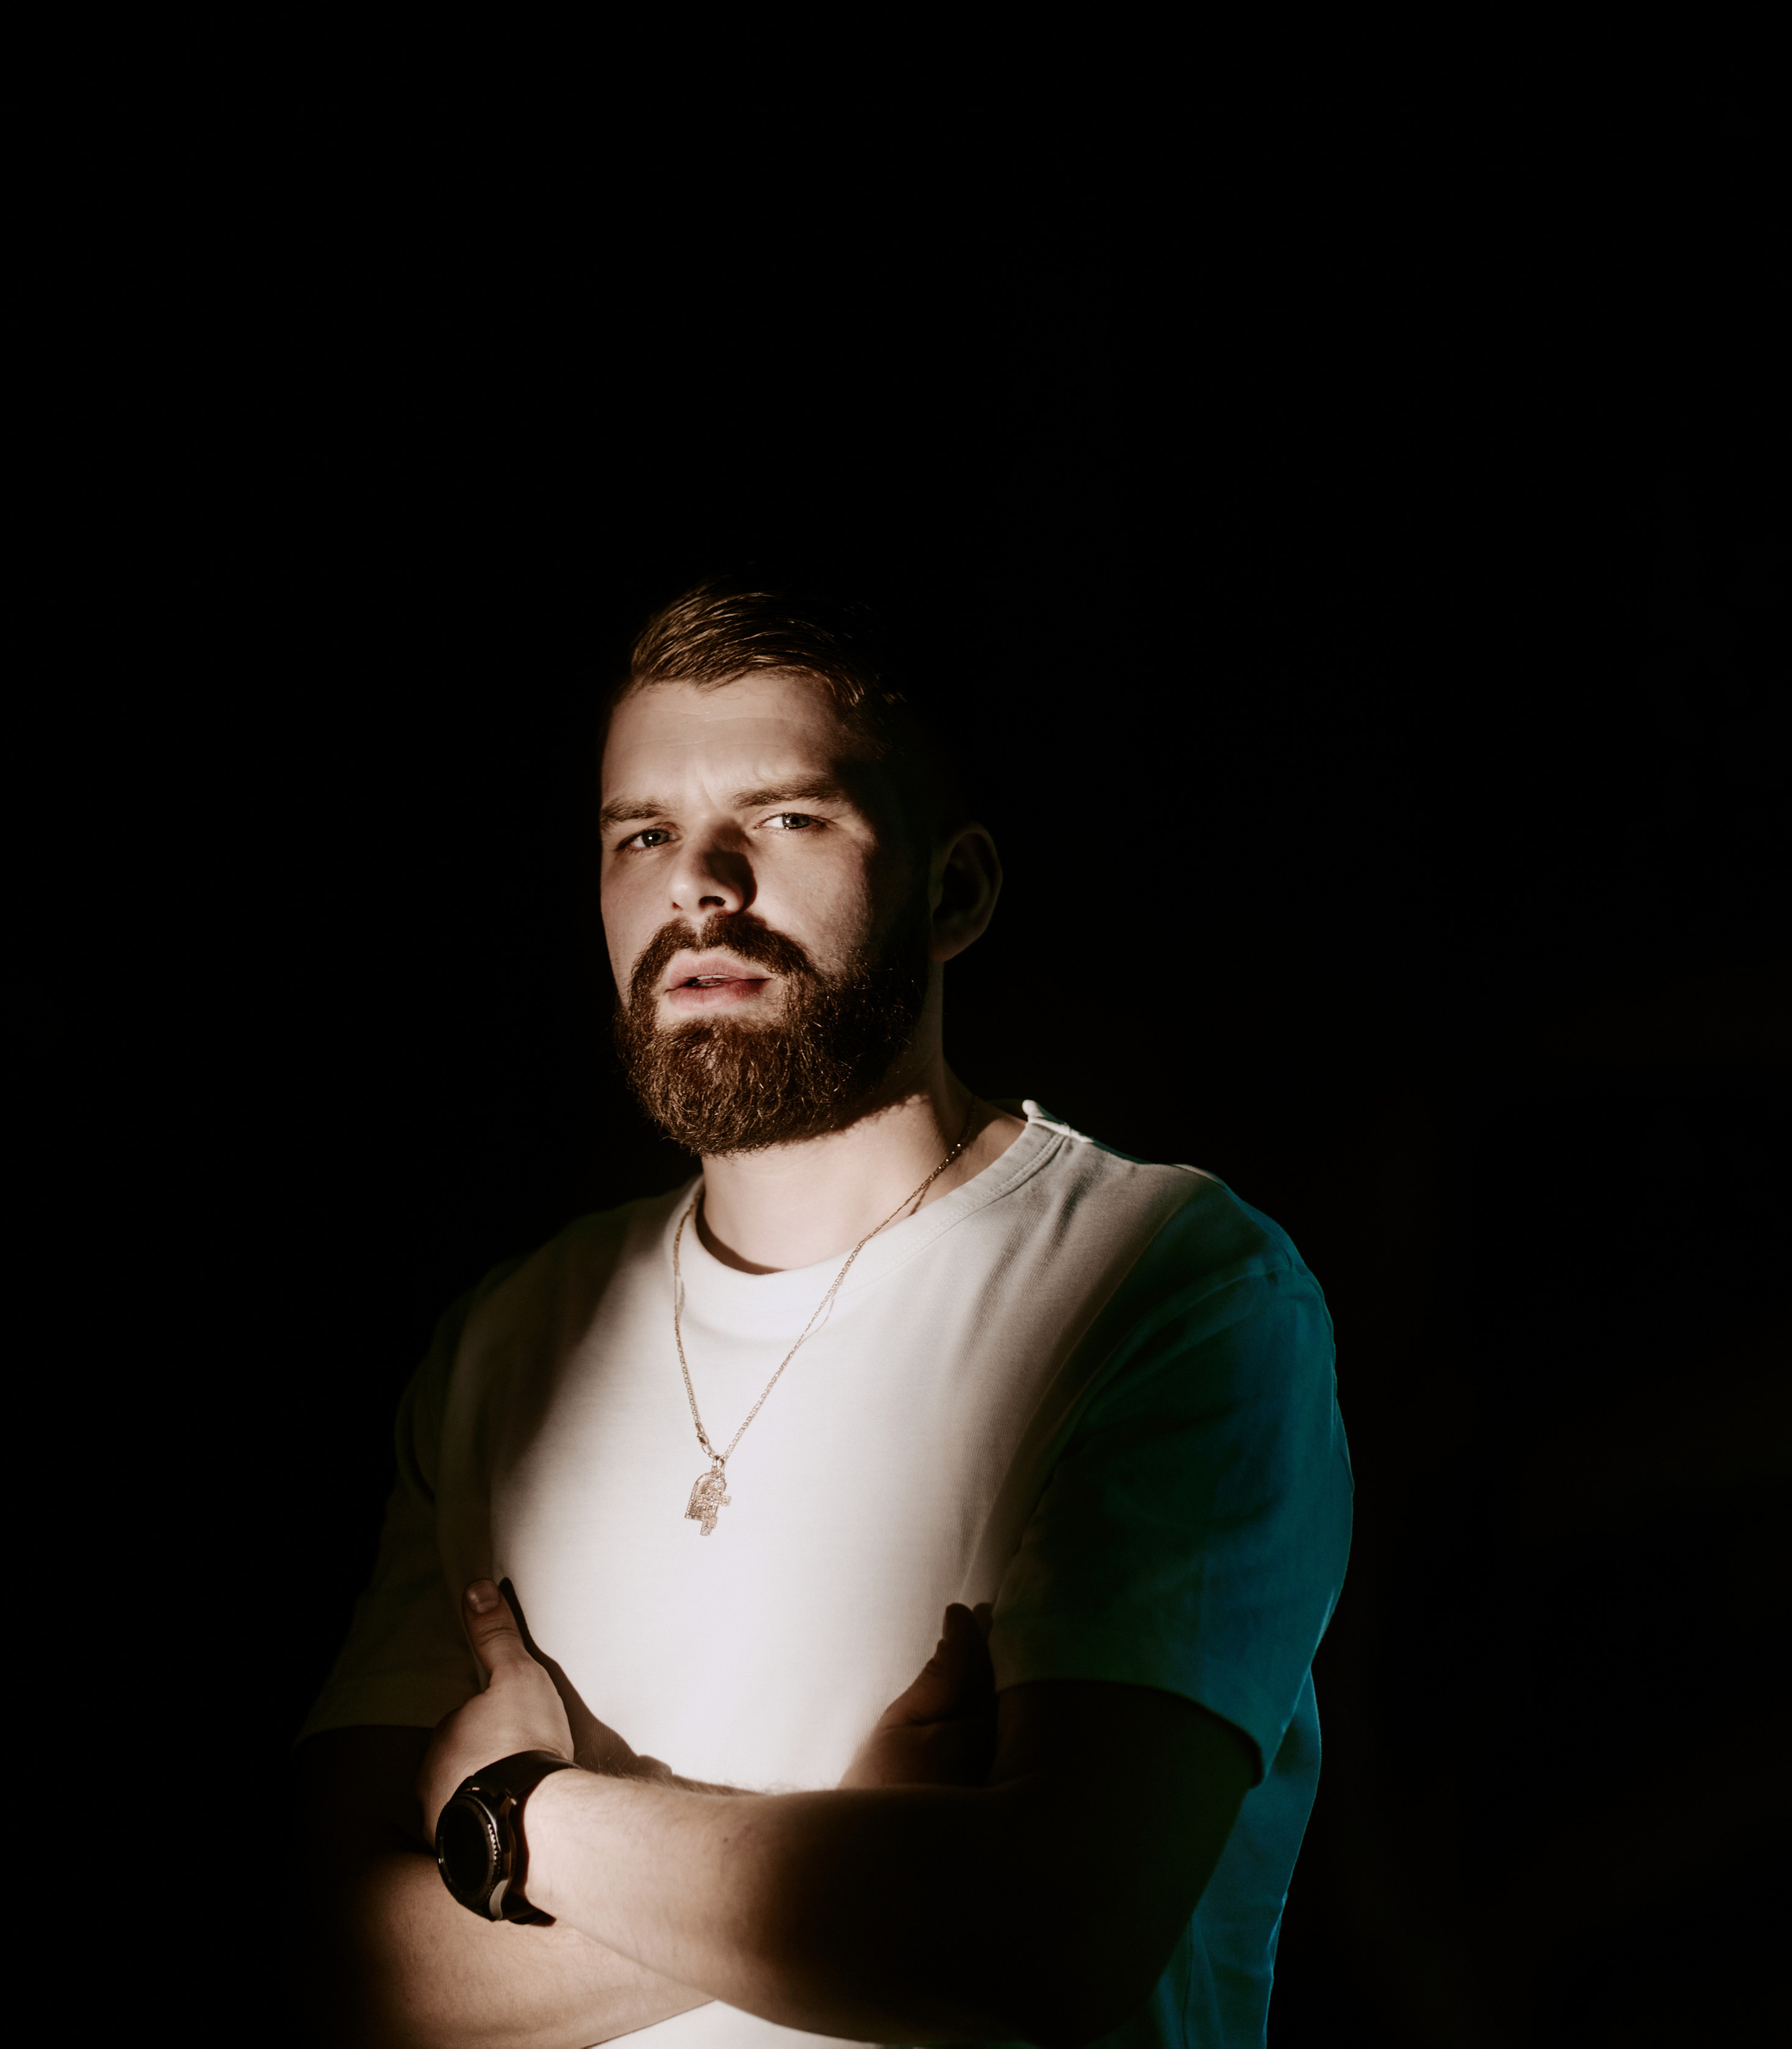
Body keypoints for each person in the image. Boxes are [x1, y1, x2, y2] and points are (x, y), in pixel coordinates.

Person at [290, 581, 1353, 2047]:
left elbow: (1032, 1942)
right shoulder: (506, 1342)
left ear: (956, 893)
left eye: (787, 819)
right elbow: (324, 1958)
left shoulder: (1172, 1286)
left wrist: (520, 1820)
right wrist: (861, 1855)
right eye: (642, 835)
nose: (701, 887)